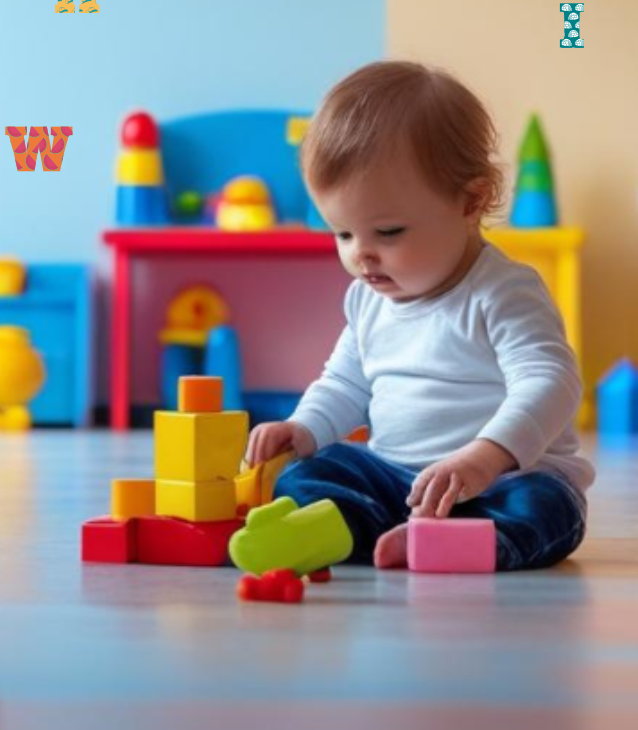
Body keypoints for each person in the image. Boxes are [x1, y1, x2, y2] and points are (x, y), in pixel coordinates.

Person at [247, 61, 593, 570]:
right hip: (396, 481)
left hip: (503, 481)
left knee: (545, 507)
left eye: (387, 233)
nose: (361, 255)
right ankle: (350, 530)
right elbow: (345, 384)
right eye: (342, 233)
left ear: (470, 202)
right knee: (309, 473)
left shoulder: (502, 291)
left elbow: (551, 382)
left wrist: (487, 455)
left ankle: (464, 543)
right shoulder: (367, 298)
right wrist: (303, 429)